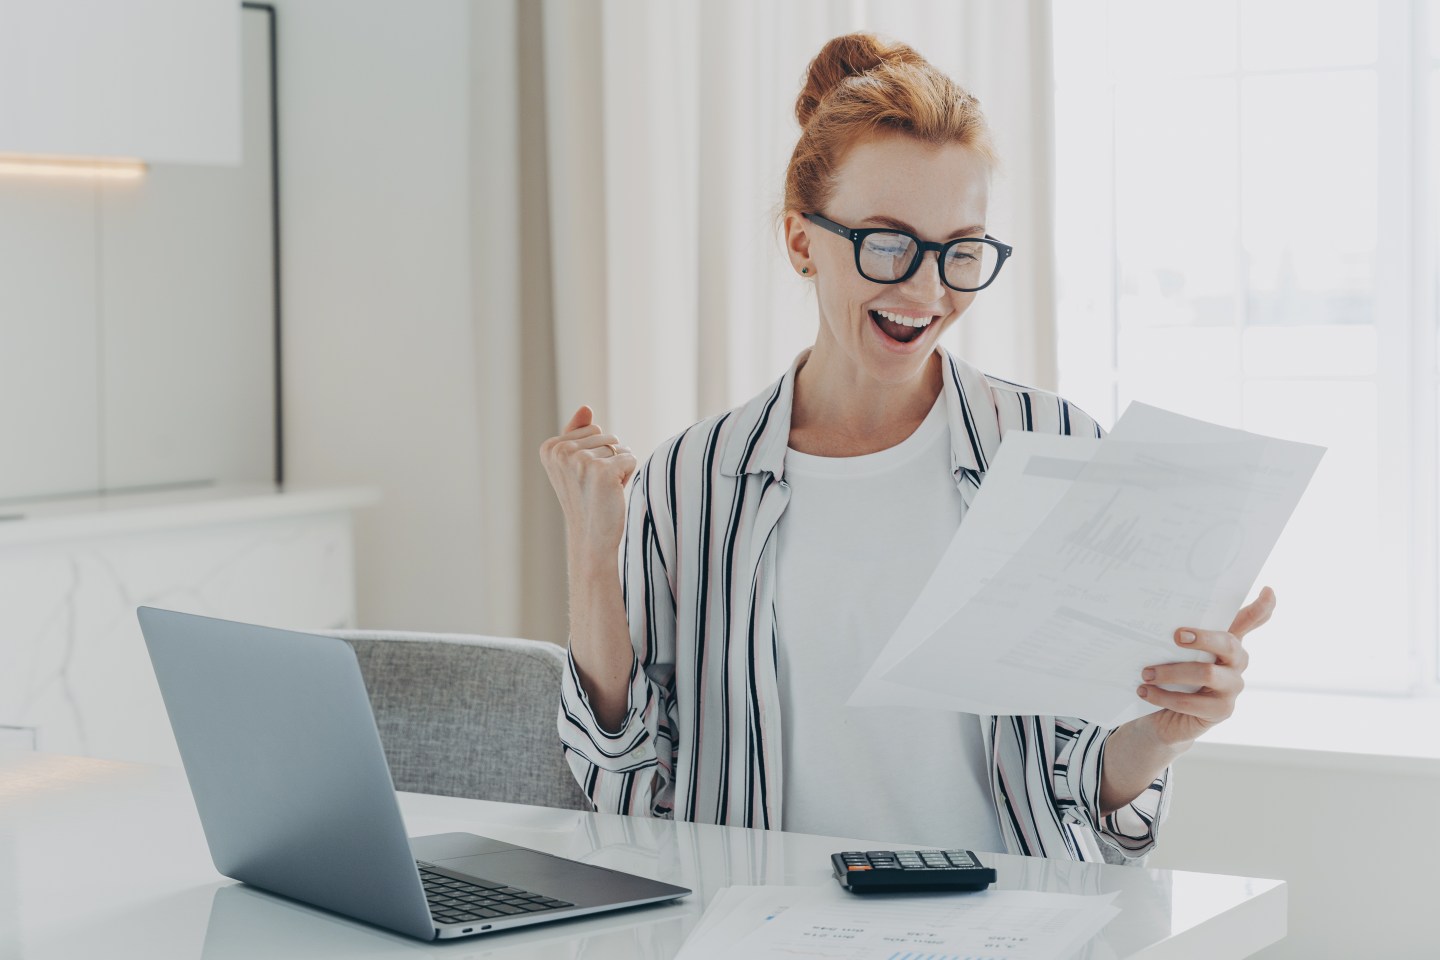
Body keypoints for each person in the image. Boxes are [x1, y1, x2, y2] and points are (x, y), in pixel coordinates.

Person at [539, 32, 1274, 864]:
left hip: (1008, 927)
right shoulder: (695, 477)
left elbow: (1081, 791)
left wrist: (1159, 736)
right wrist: (597, 556)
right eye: (888, 243)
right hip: (761, 928)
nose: (926, 292)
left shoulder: (1056, 448)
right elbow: (625, 787)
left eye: (960, 251)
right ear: (801, 242)